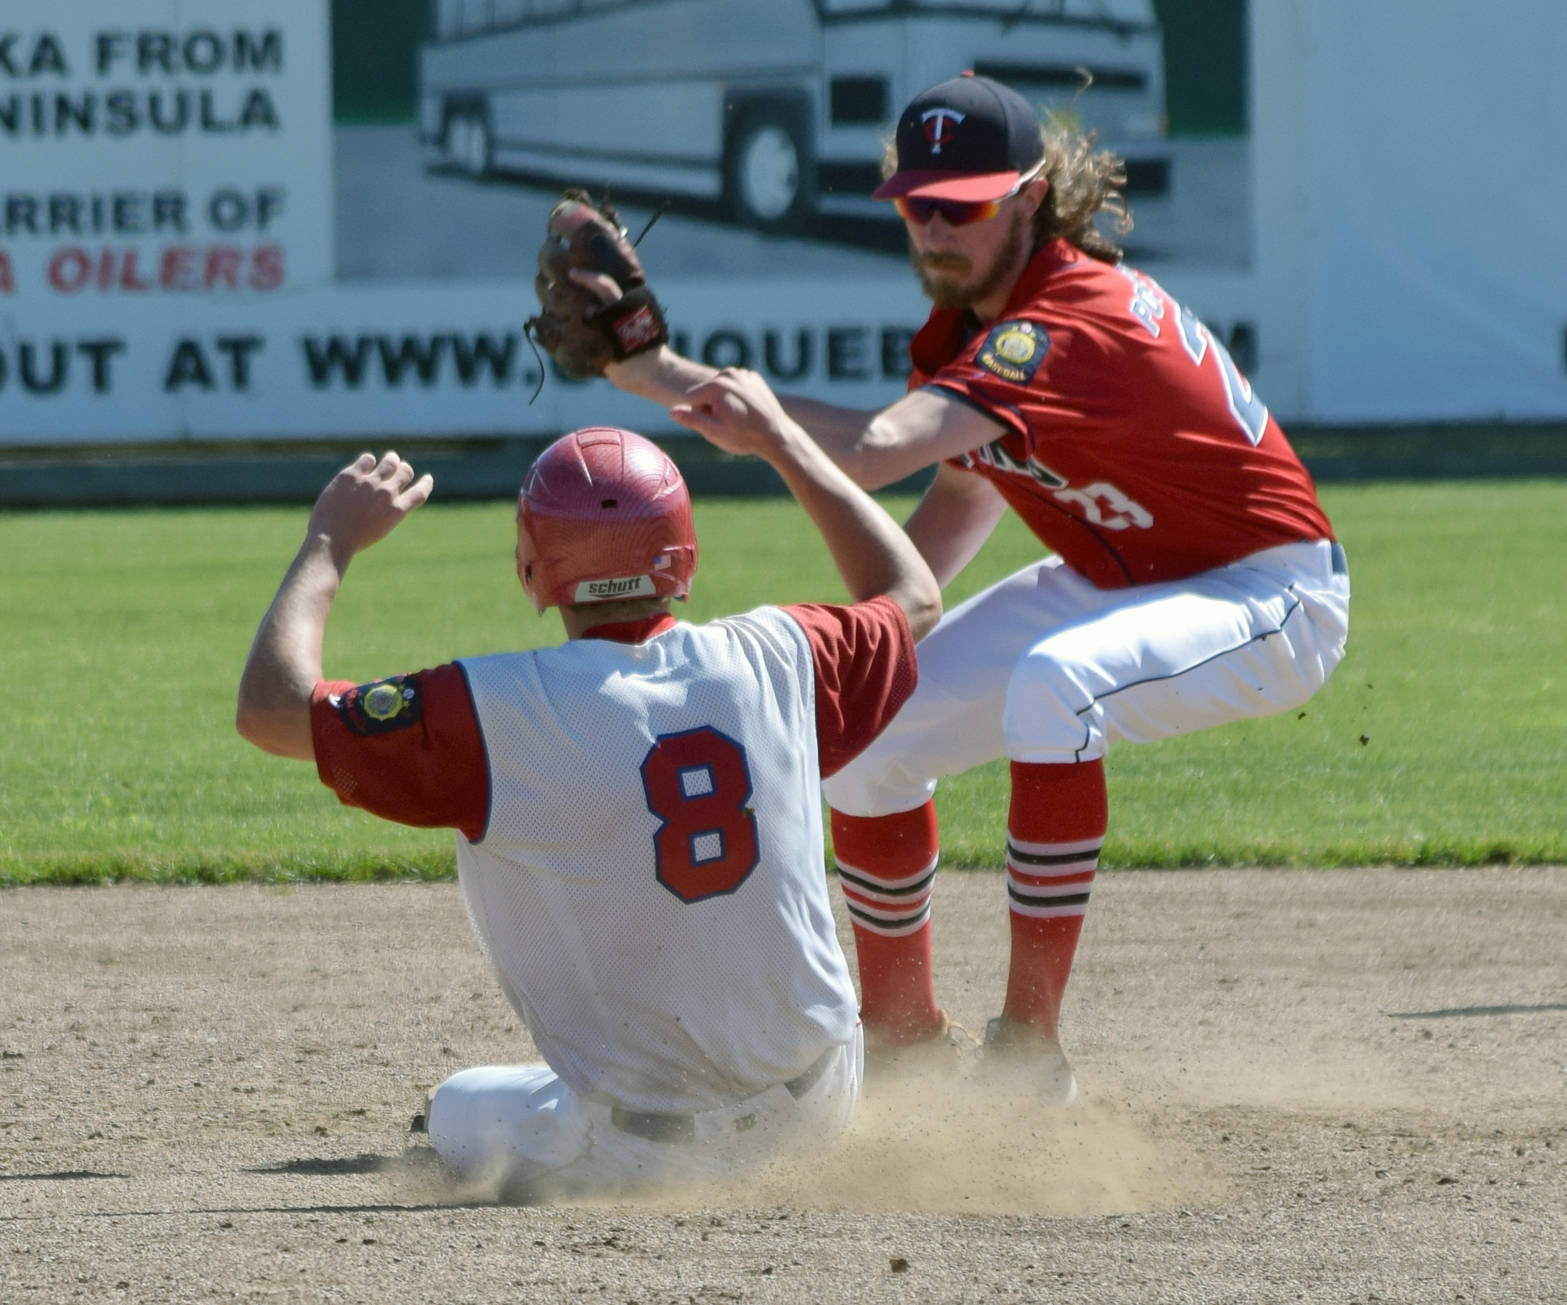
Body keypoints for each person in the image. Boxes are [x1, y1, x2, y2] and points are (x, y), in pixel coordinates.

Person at [586, 72, 1351, 1103]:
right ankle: (902, 1042)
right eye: (918, 205)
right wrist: (873, 650)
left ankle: (1028, 1058)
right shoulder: (968, 334)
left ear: (1030, 198)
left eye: (966, 206)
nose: (936, 229)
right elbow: (948, 519)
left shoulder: (1064, 320)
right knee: (870, 745)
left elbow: (872, 449)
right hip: (1120, 582)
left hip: (1270, 595)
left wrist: (656, 372)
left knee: (1054, 687)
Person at [234, 392, 941, 1197]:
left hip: (642, 1152)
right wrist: (779, 440)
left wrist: (330, 538)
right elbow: (912, 593)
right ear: (685, 553)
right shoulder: (782, 653)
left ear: (533, 570)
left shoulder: (494, 709)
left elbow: (268, 707)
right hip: (824, 1101)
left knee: (457, 1106)